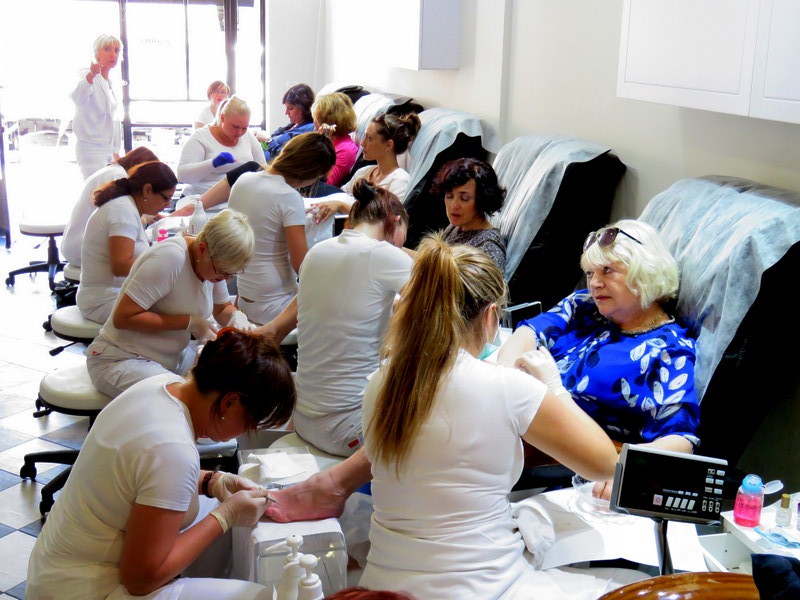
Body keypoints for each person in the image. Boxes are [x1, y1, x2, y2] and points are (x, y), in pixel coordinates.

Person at [267, 236, 632, 599]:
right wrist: (554, 388)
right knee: (624, 582)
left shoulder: (383, 381)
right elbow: (605, 464)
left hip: (383, 584)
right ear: (490, 316)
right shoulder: (508, 389)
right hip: (483, 589)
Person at [27, 329, 294, 600]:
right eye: (250, 423)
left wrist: (211, 482)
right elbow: (140, 580)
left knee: (213, 514)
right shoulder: (173, 448)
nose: (245, 431)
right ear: (229, 402)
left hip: (53, 566)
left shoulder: (163, 385)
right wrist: (226, 516)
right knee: (259, 596)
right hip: (83, 589)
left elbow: (140, 476)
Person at [497, 219, 700, 498]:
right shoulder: (584, 307)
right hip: (513, 426)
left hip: (563, 464)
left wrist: (621, 470)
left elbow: (681, 441)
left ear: (645, 272)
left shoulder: (667, 351)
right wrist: (504, 374)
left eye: (607, 271)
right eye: (590, 273)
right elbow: (527, 333)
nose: (594, 283)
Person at [260, 180, 413, 456]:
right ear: (395, 221)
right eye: (402, 239)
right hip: (349, 430)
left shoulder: (316, 254)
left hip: (302, 419)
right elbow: (432, 309)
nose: (400, 246)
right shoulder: (386, 256)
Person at [86, 209, 256, 398]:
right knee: (189, 400)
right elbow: (123, 317)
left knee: (224, 386)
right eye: (222, 271)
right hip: (121, 358)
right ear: (202, 249)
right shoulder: (171, 258)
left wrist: (236, 317)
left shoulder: (211, 266)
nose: (225, 278)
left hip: (170, 359)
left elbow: (222, 308)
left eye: (231, 274)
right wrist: (190, 323)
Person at [228, 133, 336, 326]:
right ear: (310, 173)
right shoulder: (288, 196)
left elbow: (261, 217)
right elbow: (301, 265)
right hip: (275, 303)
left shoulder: (244, 180)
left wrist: (296, 215)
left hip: (244, 298)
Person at [77, 161, 177, 324]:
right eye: (166, 198)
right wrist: (163, 267)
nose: (167, 205)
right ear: (147, 190)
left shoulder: (126, 206)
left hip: (113, 293)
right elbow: (121, 266)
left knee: (178, 303)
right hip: (103, 301)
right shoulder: (122, 210)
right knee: (177, 312)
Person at [311, 112, 421, 225]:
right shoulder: (364, 172)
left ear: (388, 145)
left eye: (369, 138)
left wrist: (341, 206)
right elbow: (341, 195)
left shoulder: (399, 180)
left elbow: (387, 220)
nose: (362, 143)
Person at [62, 146, 159, 267]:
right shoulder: (118, 177)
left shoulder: (113, 171)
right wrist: (145, 219)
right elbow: (120, 218)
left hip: (75, 242)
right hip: (80, 250)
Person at [178, 96, 266, 196]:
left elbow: (263, 170)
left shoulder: (248, 137)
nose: (239, 132)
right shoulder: (201, 137)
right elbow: (182, 176)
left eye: (244, 128)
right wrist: (213, 163)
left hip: (238, 196)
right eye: (235, 126)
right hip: (202, 197)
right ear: (223, 118)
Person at [433, 158, 507, 270]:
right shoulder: (455, 227)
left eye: (464, 198)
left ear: (482, 200)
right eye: (449, 196)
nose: (454, 205)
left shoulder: (489, 246)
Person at [70, 34, 123, 179]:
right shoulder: (86, 74)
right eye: (107, 49)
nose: (113, 54)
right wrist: (91, 76)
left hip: (108, 148)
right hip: (90, 147)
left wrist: (115, 150)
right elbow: (77, 98)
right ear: (96, 54)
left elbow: (114, 120)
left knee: (107, 188)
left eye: (116, 50)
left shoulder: (111, 83)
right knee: (96, 188)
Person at [257, 83, 316, 160]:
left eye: (290, 108)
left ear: (304, 108)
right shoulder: (291, 126)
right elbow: (268, 148)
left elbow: (288, 157)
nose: (286, 113)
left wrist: (268, 140)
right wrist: (262, 142)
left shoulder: (309, 129)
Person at [312, 92, 359, 187]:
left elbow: (324, 184)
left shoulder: (346, 150)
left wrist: (323, 145)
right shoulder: (328, 142)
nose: (314, 123)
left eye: (316, 119)